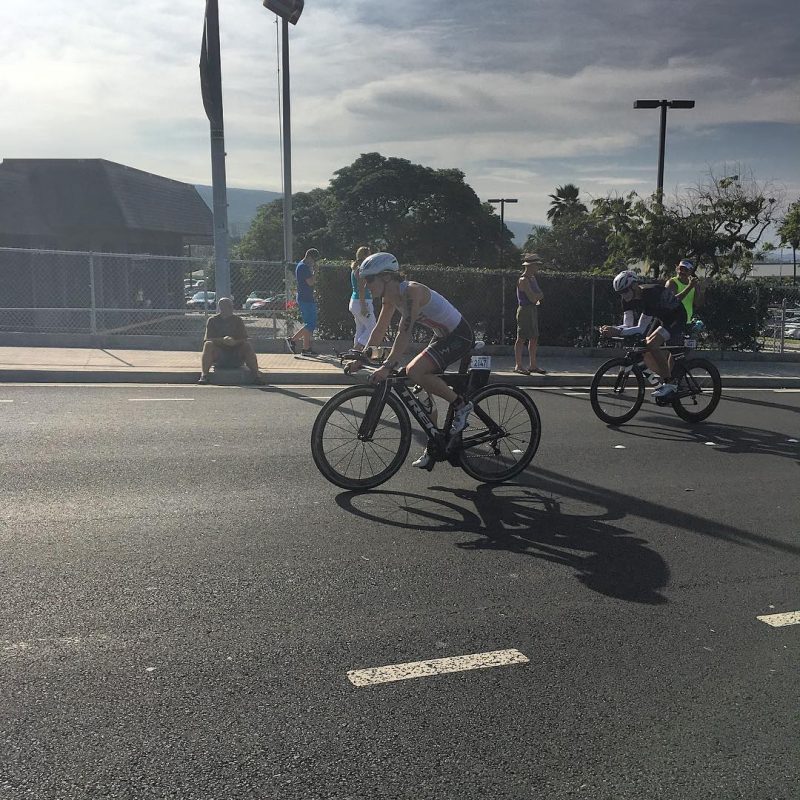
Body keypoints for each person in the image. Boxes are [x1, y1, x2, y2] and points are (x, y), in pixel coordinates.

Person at [350, 252, 474, 469]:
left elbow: (403, 332)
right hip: (442, 335)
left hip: (459, 335)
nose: (366, 284)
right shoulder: (389, 297)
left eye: (369, 279)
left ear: (386, 277)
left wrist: (388, 366)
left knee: (415, 371)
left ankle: (461, 406)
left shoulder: (411, 292)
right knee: (416, 387)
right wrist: (361, 355)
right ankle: (435, 443)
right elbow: (379, 328)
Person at [600, 270, 687, 399]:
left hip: (677, 317)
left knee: (652, 343)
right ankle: (662, 381)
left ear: (635, 285)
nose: (623, 296)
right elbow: (628, 325)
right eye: (620, 293)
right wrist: (613, 329)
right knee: (645, 345)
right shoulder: (626, 300)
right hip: (662, 318)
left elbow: (641, 328)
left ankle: (669, 383)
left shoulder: (650, 294)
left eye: (625, 291)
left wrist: (618, 331)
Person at [199, 296, 265, 384]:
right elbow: (208, 338)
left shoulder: (237, 320)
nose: (231, 308)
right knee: (208, 344)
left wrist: (234, 342)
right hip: (219, 356)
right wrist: (222, 340)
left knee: (247, 345)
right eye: (228, 306)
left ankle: (256, 376)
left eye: (231, 306)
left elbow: (244, 338)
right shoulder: (212, 320)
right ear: (221, 307)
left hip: (236, 355)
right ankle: (204, 375)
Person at [514, 253, 547, 375]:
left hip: (532, 309)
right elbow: (534, 297)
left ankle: (533, 365)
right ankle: (518, 365)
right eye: (536, 265)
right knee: (521, 337)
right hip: (524, 310)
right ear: (530, 266)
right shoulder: (523, 280)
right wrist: (537, 296)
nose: (537, 268)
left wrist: (537, 296)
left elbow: (540, 294)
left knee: (534, 337)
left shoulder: (533, 279)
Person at [285, 248, 320, 355]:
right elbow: (310, 282)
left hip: (305, 297)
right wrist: (316, 272)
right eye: (313, 260)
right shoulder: (304, 267)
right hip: (306, 298)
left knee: (308, 324)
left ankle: (306, 348)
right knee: (310, 324)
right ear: (309, 257)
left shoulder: (301, 265)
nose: (314, 263)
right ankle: (293, 340)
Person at [348, 245, 377, 351]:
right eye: (369, 254)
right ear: (365, 256)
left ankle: (356, 352)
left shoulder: (356, 268)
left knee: (360, 328)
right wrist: (363, 306)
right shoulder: (362, 269)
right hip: (362, 302)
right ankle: (357, 348)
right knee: (373, 328)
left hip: (355, 302)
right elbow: (361, 288)